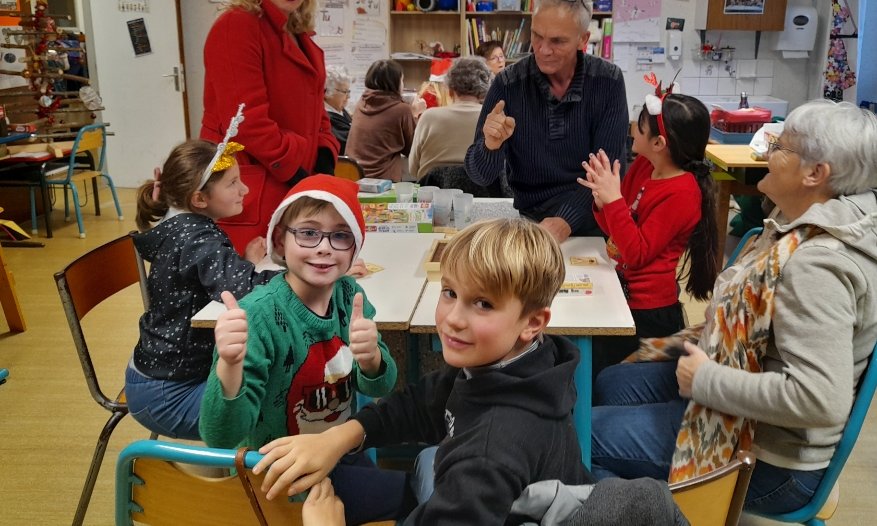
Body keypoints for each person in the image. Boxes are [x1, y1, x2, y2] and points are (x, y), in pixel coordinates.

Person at [591, 100, 877, 515]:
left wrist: (706, 379)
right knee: (611, 382)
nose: (766, 151)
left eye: (780, 146)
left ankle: (663, 510)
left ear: (815, 174)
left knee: (582, 437)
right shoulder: (800, 224)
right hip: (736, 400)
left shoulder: (817, 265)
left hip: (770, 457)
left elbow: (819, 399)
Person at [252, 218, 594, 525]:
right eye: (450, 292)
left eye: (483, 304)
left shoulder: (488, 454)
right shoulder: (515, 364)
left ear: (532, 322)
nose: (453, 319)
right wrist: (338, 438)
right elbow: (421, 404)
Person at [199, 175, 408, 524]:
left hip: (335, 450)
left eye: (340, 235)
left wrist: (372, 359)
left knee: (420, 485)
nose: (324, 247)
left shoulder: (350, 297)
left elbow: (380, 386)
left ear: (354, 249)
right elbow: (220, 436)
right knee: (419, 492)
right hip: (280, 477)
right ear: (280, 241)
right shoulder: (258, 317)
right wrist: (230, 367)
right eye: (309, 233)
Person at [124, 134, 274, 441]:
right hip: (168, 395)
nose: (244, 189)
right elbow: (246, 289)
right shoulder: (197, 237)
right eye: (232, 183)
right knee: (282, 405)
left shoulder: (185, 226)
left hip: (161, 378)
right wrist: (313, 273)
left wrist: (244, 262)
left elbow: (217, 283)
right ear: (199, 199)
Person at [201, 0, 339, 253]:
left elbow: (316, 107)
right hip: (251, 185)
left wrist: (324, 156)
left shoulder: (296, 33)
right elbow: (246, 123)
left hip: (292, 182)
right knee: (254, 278)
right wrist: (298, 173)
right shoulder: (237, 26)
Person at [464, 0, 629, 242]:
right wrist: (490, 146)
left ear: (583, 40)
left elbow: (606, 173)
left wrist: (566, 220)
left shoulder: (607, 81)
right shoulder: (509, 83)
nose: (543, 50)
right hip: (533, 221)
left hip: (593, 222)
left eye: (557, 41)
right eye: (537, 36)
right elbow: (479, 175)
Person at [578, 89, 719, 376]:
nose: (633, 128)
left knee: (608, 376)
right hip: (620, 290)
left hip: (647, 311)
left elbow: (636, 253)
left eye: (640, 126)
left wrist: (614, 201)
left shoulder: (682, 193)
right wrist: (603, 202)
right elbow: (619, 233)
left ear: (659, 143)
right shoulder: (645, 164)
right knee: (593, 363)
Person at [409, 58, 491, 180]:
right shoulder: (494, 120)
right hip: (482, 191)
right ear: (484, 94)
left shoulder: (429, 117)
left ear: (450, 92)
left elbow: (413, 169)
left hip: (433, 189)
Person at [345, 60, 418, 182]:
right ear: (395, 83)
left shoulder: (361, 103)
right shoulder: (402, 110)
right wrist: (414, 114)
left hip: (353, 176)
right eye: (402, 80)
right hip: (384, 181)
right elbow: (413, 150)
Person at [324, 66, 352, 153]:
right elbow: (347, 143)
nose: (348, 96)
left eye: (348, 91)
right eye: (344, 92)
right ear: (327, 93)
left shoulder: (339, 109)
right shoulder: (327, 118)